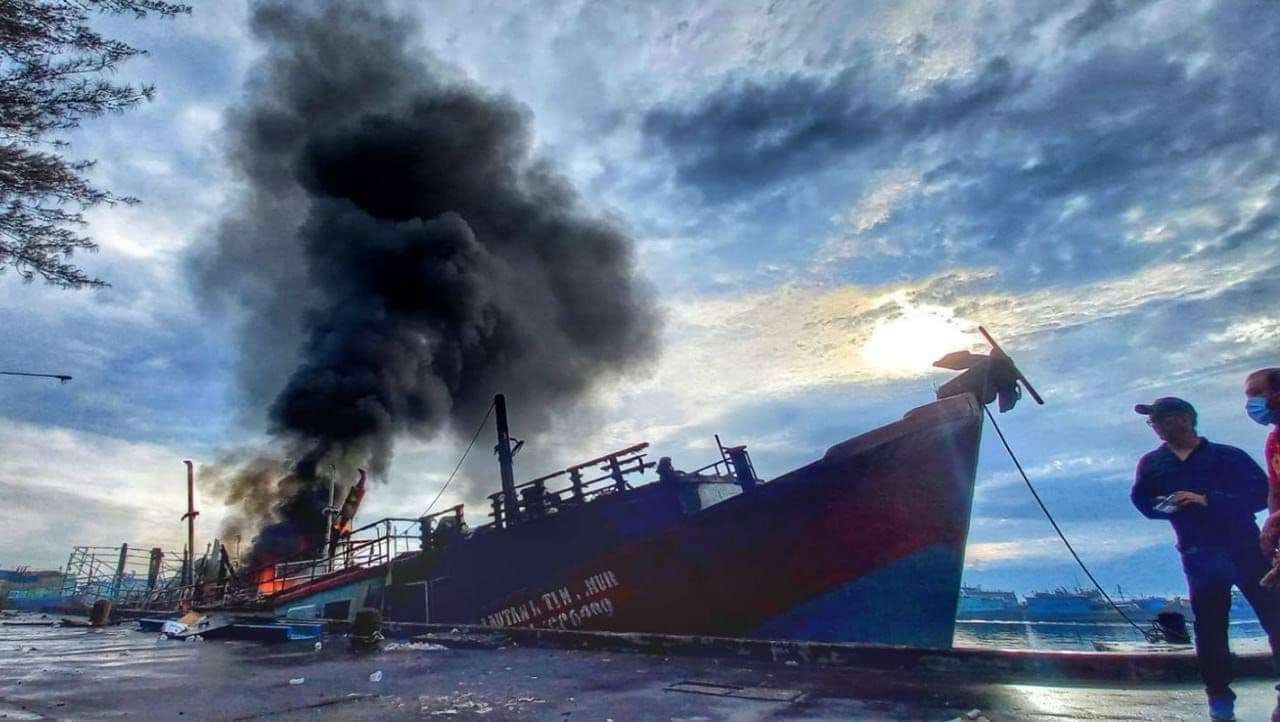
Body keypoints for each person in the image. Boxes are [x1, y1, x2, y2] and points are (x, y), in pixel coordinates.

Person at [1130, 397, 1280, 721]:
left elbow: (1260, 495)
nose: (1155, 426)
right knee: (1210, 630)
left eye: (1160, 419)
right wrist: (1168, 505)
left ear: (1183, 419)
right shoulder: (1152, 464)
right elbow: (1142, 502)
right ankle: (1219, 699)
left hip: (1245, 549)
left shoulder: (1228, 456)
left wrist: (1206, 500)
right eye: (1152, 422)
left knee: (1275, 617)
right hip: (1198, 555)